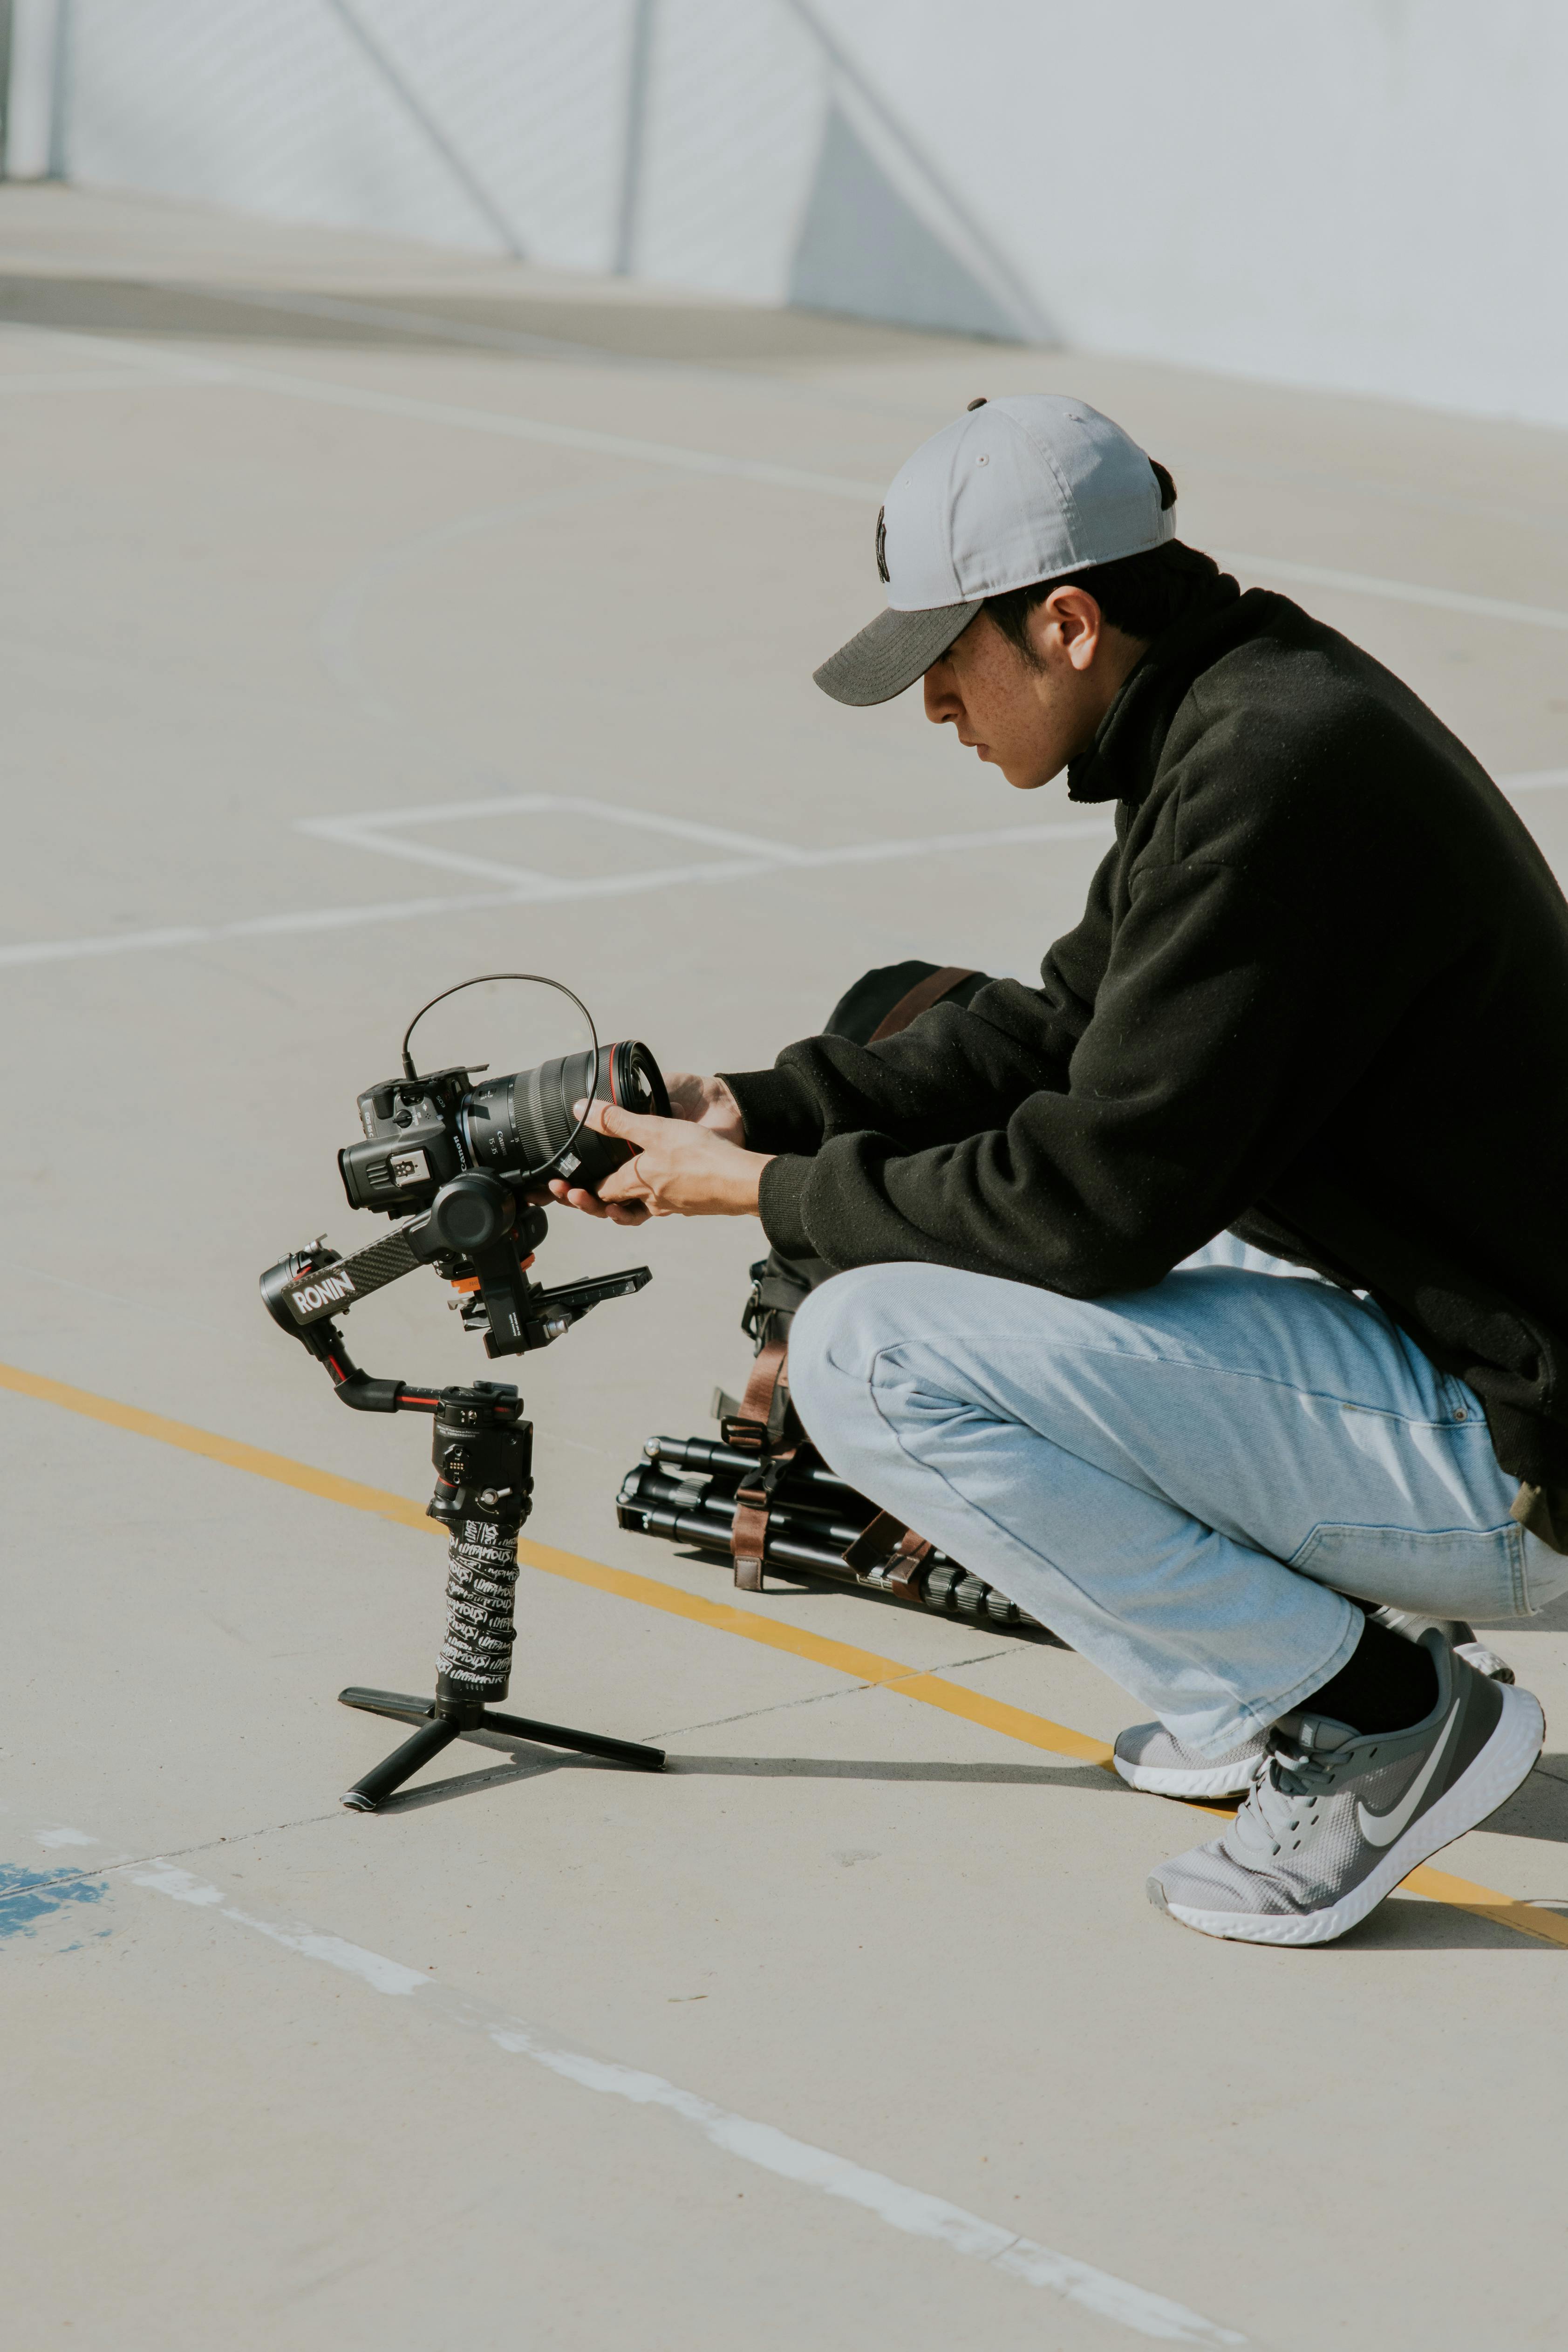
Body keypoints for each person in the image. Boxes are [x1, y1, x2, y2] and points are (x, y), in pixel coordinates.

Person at [550, 393, 1568, 1948]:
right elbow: (1058, 1032)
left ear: (1068, 623)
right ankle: (1246, 1691)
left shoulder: (1270, 774)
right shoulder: (1253, 705)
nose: (936, 708)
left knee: (868, 1350)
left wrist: (751, 1194)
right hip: (1465, 1332)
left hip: (1521, 1440)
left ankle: (1373, 1717)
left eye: (948, 664)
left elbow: (1091, 1203)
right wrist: (745, 1109)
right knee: (905, 1074)